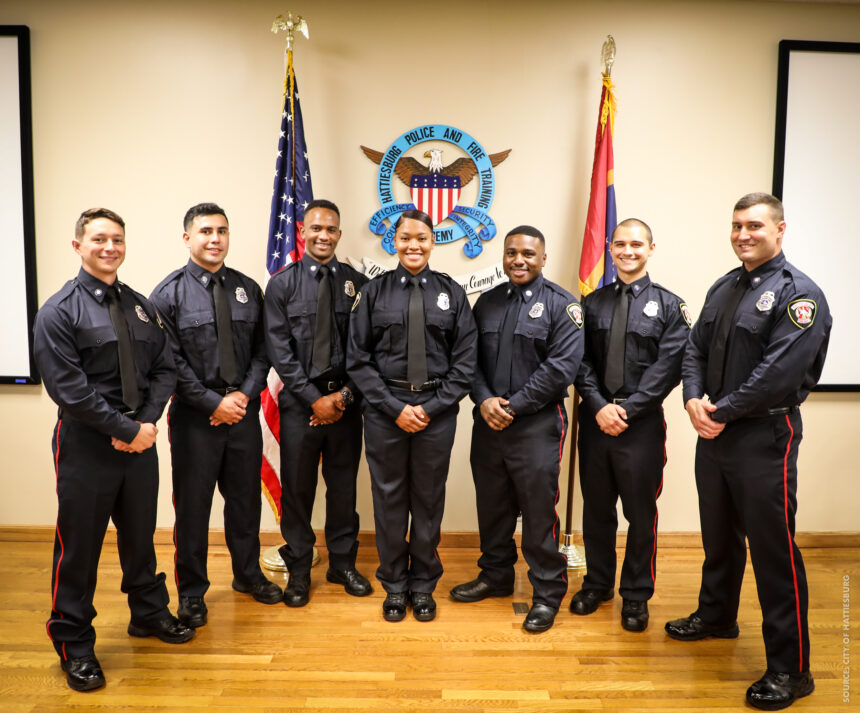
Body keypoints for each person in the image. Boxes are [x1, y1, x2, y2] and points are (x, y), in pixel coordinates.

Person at [665, 193, 831, 710]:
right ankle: (717, 616)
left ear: (780, 230)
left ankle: (791, 667)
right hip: (716, 432)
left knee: (773, 552)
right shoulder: (724, 286)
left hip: (764, 436)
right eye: (737, 225)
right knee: (718, 536)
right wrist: (693, 397)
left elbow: (778, 374)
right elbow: (694, 348)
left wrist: (719, 410)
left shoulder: (799, 295)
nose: (742, 234)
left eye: (754, 225)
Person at [34, 208, 193, 692]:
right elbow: (69, 390)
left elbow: (166, 368)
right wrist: (123, 427)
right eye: (99, 239)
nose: (109, 247)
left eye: (117, 239)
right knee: (79, 548)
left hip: (138, 441)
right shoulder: (58, 311)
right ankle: (74, 643)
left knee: (141, 536)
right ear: (78, 245)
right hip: (86, 444)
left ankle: (148, 613)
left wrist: (144, 424)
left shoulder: (141, 306)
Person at [150, 203, 282, 629]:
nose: (215, 238)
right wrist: (213, 403)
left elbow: (264, 352)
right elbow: (169, 364)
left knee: (244, 504)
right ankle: (191, 593)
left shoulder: (248, 289)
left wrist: (242, 398)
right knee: (193, 510)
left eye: (222, 231)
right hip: (195, 421)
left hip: (241, 414)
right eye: (205, 231)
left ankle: (247, 575)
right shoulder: (167, 294)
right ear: (187, 238)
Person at [449, 225, 584, 633]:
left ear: (543, 258)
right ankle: (496, 575)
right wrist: (484, 399)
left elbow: (561, 367)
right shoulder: (486, 303)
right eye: (511, 253)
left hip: (537, 424)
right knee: (493, 506)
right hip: (488, 420)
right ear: (504, 257)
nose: (519, 260)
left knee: (539, 511)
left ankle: (547, 591)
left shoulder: (564, 306)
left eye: (528, 253)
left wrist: (513, 406)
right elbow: (467, 359)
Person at [348, 209, 477, 623]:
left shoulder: (452, 293)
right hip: (385, 411)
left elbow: (465, 363)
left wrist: (430, 408)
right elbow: (358, 359)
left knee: (427, 500)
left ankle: (422, 585)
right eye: (405, 238)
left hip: (435, 413)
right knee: (387, 500)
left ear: (433, 241)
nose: (413, 245)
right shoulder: (373, 293)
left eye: (422, 238)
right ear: (393, 240)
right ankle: (394, 585)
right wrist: (394, 408)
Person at [570, 218, 689, 632]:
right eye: (619, 244)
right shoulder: (591, 303)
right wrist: (601, 406)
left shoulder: (671, 306)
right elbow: (579, 361)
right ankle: (597, 583)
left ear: (651, 249)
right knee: (597, 510)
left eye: (636, 244)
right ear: (609, 247)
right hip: (596, 419)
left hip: (639, 426)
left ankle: (636, 596)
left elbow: (668, 367)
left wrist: (627, 410)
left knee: (641, 514)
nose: (627, 251)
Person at [264, 199, 372, 606]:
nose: (323, 235)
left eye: (330, 229)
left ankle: (342, 564)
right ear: (302, 233)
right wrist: (315, 400)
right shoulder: (282, 285)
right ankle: (298, 570)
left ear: (339, 235)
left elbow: (366, 351)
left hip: (346, 402)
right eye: (315, 229)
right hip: (300, 405)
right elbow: (279, 351)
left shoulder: (357, 284)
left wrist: (342, 397)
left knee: (343, 488)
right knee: (298, 490)